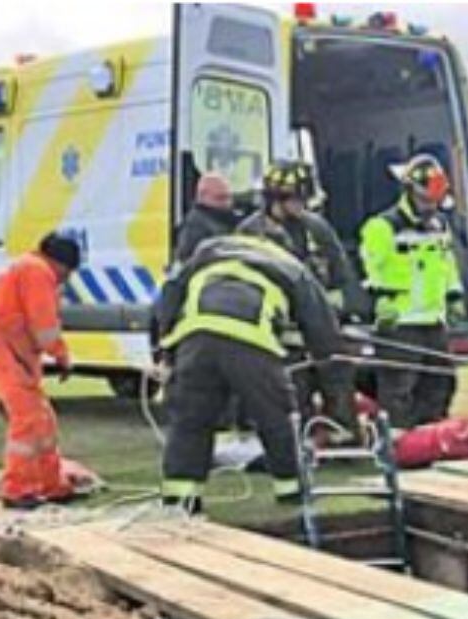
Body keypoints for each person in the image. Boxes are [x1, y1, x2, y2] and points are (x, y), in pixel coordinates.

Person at [151, 234, 342, 511]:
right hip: (252, 340)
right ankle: (291, 491)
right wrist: (331, 383)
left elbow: (169, 294)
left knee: (190, 420)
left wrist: (165, 351)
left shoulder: (208, 249)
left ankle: (180, 498)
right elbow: (324, 332)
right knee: (276, 417)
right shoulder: (293, 269)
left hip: (195, 338)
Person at [239, 161, 363, 440]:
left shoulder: (316, 228)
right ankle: (296, 444)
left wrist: (345, 309)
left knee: (339, 380)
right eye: (296, 199)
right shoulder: (251, 234)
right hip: (280, 336)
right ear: (276, 198)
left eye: (303, 199)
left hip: (323, 330)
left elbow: (343, 274)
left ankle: (341, 440)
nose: (301, 206)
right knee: (294, 392)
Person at [359, 154, 465, 430]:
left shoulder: (439, 225)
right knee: (398, 387)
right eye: (427, 200)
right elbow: (371, 266)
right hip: (400, 322)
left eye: (436, 201)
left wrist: (454, 296)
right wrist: (380, 300)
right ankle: (397, 443)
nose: (432, 206)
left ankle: (430, 435)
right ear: (409, 192)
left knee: (441, 380)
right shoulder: (383, 226)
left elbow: (447, 263)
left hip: (433, 320)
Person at [0, 232, 81, 509]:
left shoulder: (27, 267)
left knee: (43, 419)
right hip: (9, 354)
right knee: (28, 420)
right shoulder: (38, 273)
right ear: (61, 264)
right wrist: (61, 355)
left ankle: (51, 484)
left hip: (13, 353)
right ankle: (17, 488)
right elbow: (44, 326)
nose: (66, 280)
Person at [174, 173, 239, 264]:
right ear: (203, 196)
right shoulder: (194, 226)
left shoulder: (228, 220)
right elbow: (188, 261)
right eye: (220, 198)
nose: (227, 203)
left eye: (229, 197)